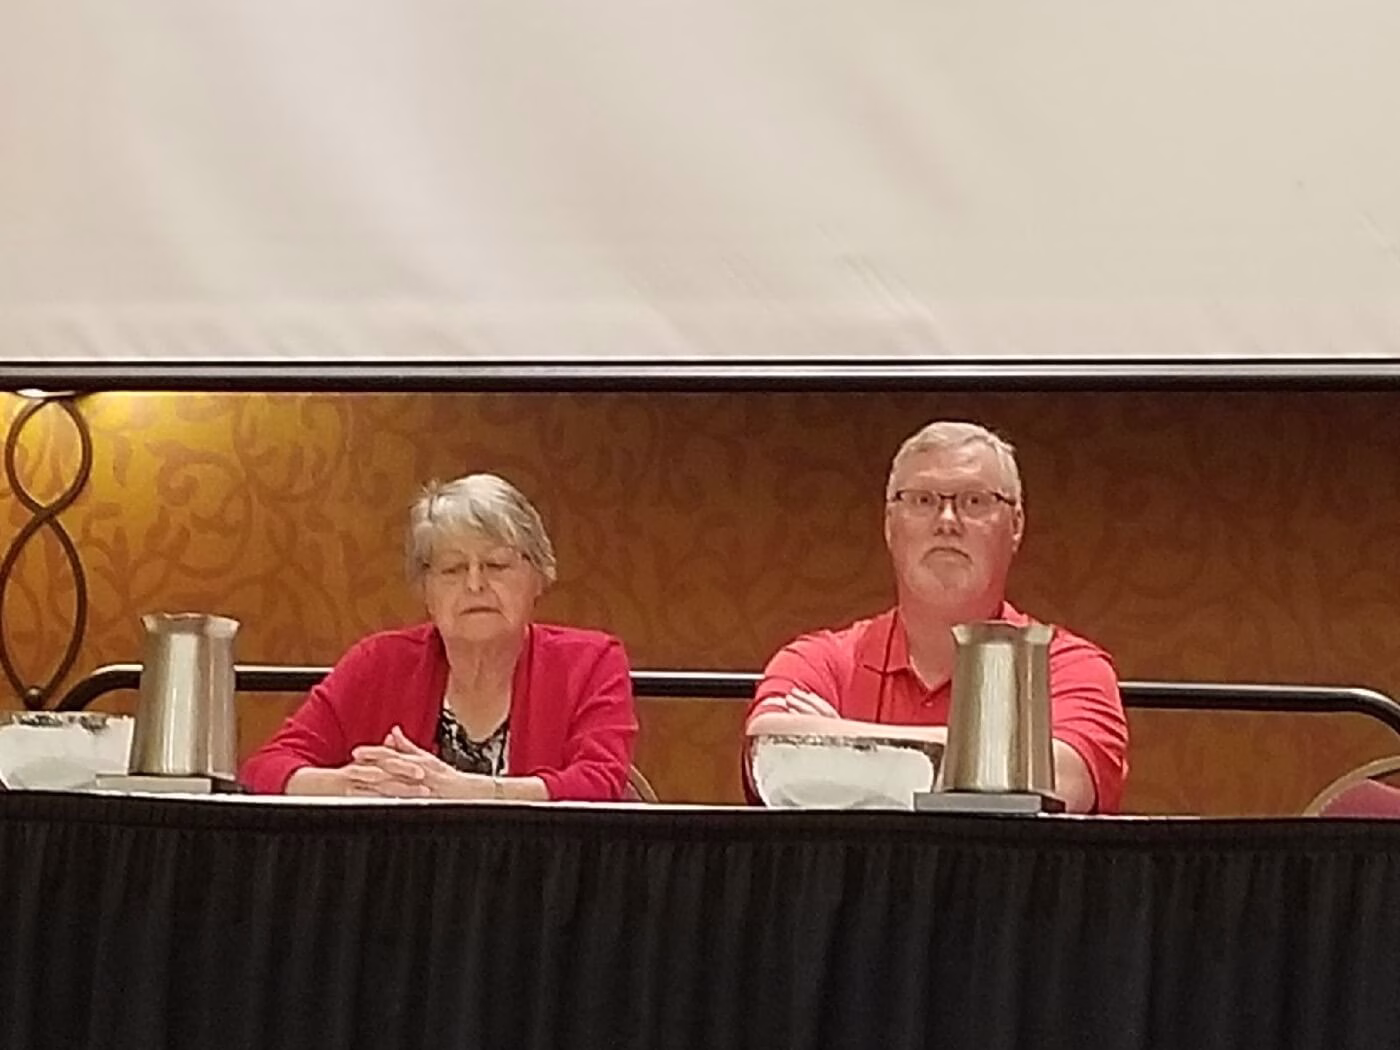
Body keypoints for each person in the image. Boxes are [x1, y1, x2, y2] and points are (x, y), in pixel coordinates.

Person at [746, 421, 1128, 813]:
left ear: (1016, 526)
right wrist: (994, 764)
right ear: (889, 524)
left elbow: (1061, 785)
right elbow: (769, 753)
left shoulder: (1068, 667)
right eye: (923, 500)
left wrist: (839, 750)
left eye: (975, 501)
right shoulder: (821, 660)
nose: (947, 521)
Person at [241, 473, 638, 801]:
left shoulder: (591, 662)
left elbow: (599, 782)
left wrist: (472, 792)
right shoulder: (378, 663)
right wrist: (353, 784)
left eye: (496, 565)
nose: (475, 585)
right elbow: (265, 769)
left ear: (539, 576)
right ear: (425, 590)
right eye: (452, 569)